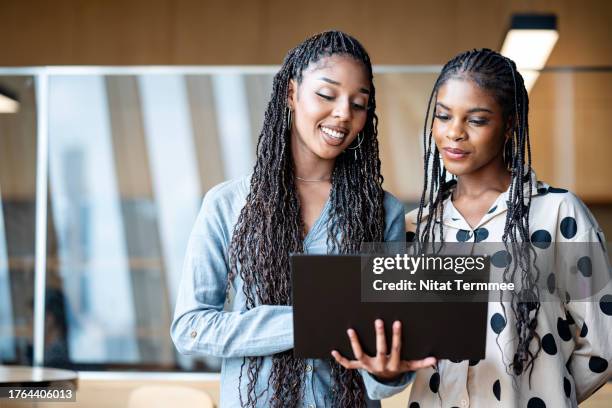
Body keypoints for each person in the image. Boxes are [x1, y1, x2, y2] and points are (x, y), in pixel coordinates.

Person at [334, 48, 611, 407]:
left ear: (510, 124)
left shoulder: (559, 214)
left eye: (476, 120)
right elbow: (396, 347)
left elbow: (603, 346)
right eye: (443, 116)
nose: (454, 133)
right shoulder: (414, 229)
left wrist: (544, 393)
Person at [171, 30, 433, 408]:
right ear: (291, 94)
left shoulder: (383, 211)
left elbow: (381, 367)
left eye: (359, 104)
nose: (343, 113)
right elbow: (191, 328)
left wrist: (386, 370)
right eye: (327, 95)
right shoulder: (226, 204)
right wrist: (309, 320)